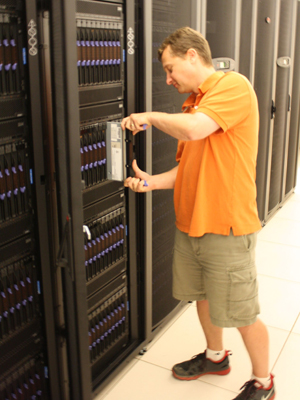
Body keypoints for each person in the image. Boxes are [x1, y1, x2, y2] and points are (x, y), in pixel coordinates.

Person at [121, 27, 275, 400]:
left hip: (226, 224)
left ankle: (263, 382)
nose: (169, 79)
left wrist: (150, 116)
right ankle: (215, 357)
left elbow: (193, 132)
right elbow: (190, 166)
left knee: (241, 310)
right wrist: (153, 182)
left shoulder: (233, 87)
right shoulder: (196, 103)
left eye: (171, 69)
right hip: (192, 223)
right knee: (202, 296)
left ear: (192, 55)